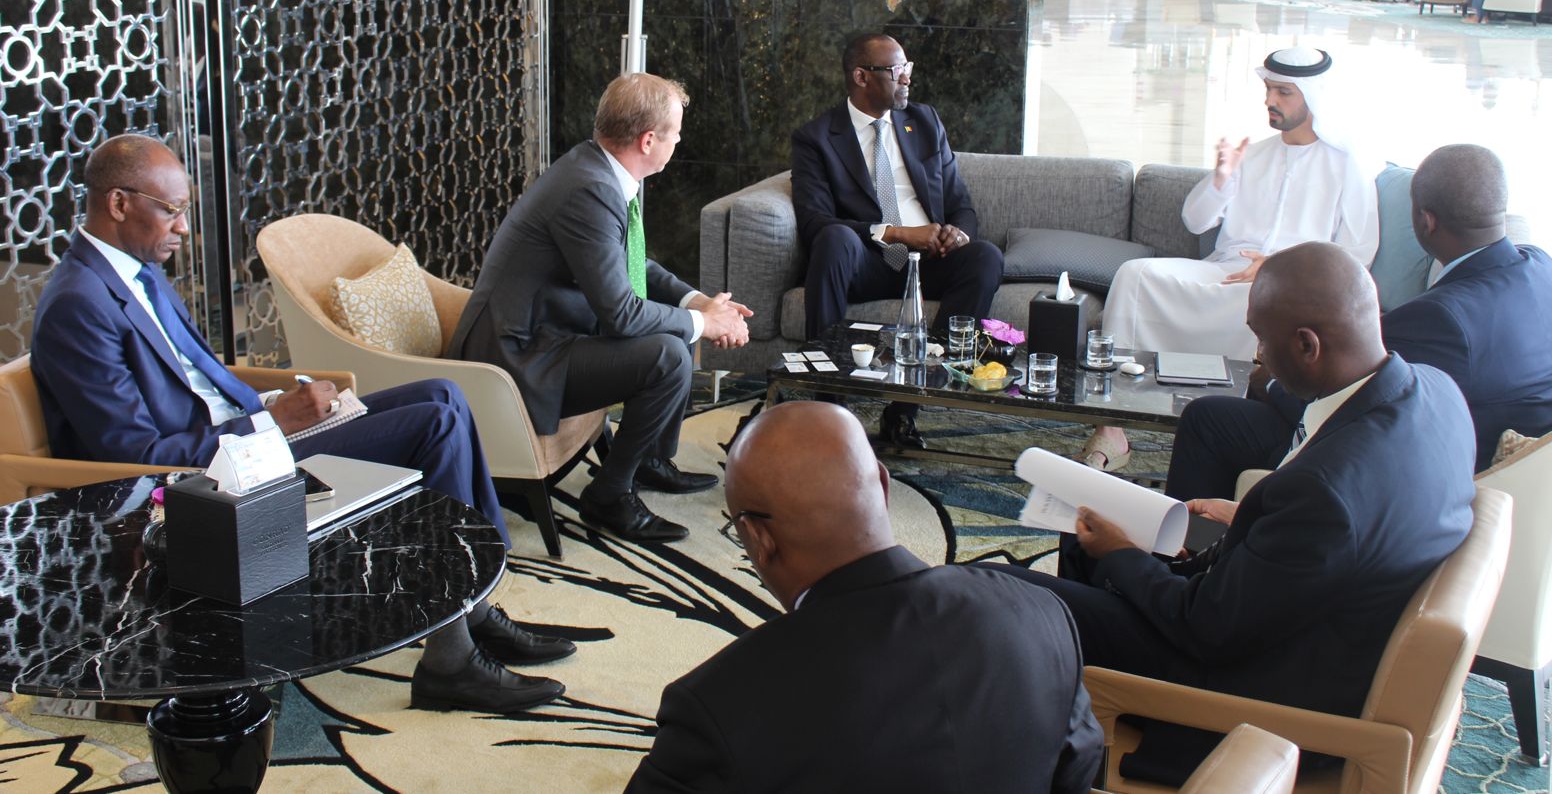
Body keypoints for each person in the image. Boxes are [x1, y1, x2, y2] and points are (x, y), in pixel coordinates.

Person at [29, 134, 572, 715]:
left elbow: (202, 381)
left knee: (444, 393)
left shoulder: (136, 270)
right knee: (434, 424)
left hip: (246, 438)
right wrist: (270, 422)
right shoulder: (79, 303)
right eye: (172, 210)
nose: (183, 228)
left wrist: (276, 400)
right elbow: (137, 457)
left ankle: (473, 605)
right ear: (118, 203)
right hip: (213, 477)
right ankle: (452, 656)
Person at [995, 242, 1477, 786]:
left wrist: (1122, 552)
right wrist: (1253, 518)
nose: (1258, 355)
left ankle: (1055, 731)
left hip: (1250, 701)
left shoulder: (1323, 496)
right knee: (1081, 538)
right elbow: (1346, 533)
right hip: (1305, 626)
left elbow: (1203, 628)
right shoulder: (1436, 392)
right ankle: (1063, 713)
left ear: (1307, 344)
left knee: (1002, 594)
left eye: (1262, 338)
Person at [626, 401, 1102, 793]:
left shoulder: (718, 705)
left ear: (757, 538)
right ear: (883, 485)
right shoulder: (1040, 612)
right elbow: (1079, 767)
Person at [1165, 143, 1552, 496]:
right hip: (1538, 463)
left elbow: (1347, 397)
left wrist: (1269, 382)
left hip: (1450, 471)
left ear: (1425, 221)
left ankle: (1184, 553)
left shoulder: (1442, 316)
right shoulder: (1540, 265)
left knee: (1209, 419)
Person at [450, 73, 753, 544]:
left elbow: (634, 263)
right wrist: (704, 323)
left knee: (674, 335)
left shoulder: (597, 170)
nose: (678, 142)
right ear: (648, 140)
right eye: (675, 133)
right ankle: (608, 495)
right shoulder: (588, 189)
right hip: (518, 356)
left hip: (547, 333)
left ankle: (648, 459)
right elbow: (622, 315)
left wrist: (695, 301)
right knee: (668, 353)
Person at [1082, 46, 1378, 471]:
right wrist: (1221, 179)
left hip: (1290, 288)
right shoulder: (1253, 154)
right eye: (1268, 89)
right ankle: (1111, 425)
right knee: (1135, 275)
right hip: (1223, 271)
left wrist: (1278, 270)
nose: (1270, 100)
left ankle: (1229, 426)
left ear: (1313, 97)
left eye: (1283, 92)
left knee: (1263, 306)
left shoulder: (1348, 164)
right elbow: (1196, 220)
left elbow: (1357, 254)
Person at [789, 34, 1003, 447]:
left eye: (907, 67)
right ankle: (831, 410)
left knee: (986, 257)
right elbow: (815, 221)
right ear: (861, 77)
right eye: (896, 70)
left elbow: (961, 205)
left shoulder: (924, 122)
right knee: (833, 239)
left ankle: (906, 409)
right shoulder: (817, 138)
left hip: (930, 262)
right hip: (866, 261)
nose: (907, 78)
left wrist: (956, 234)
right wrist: (900, 233)